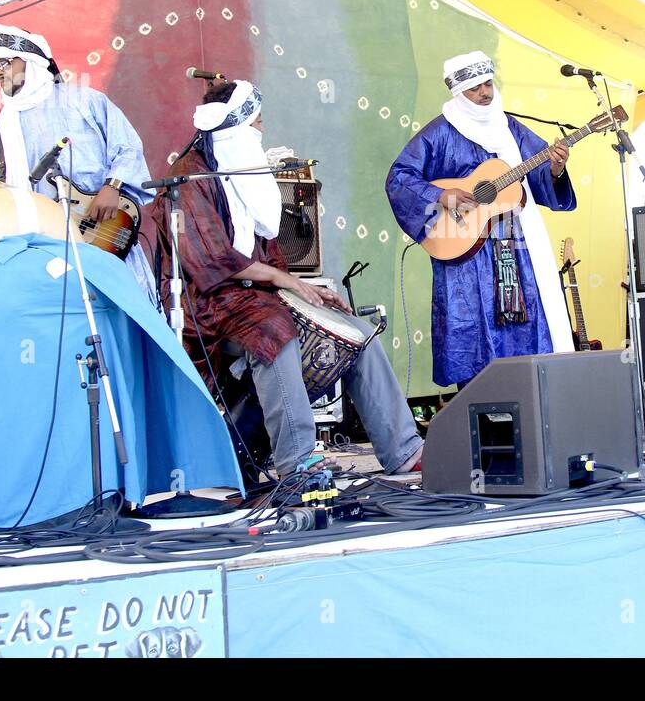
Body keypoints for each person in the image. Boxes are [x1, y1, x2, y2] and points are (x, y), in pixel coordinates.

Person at [150, 80, 423, 477]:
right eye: (257, 122)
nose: (261, 131)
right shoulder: (190, 179)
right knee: (275, 333)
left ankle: (404, 451)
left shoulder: (243, 171)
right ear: (237, 127)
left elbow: (268, 252)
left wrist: (307, 291)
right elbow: (214, 263)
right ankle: (298, 462)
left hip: (255, 297)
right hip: (209, 305)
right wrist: (292, 284)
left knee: (358, 335)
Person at [386, 51, 576, 388]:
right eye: (475, 88)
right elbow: (399, 178)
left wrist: (557, 168)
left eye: (488, 83)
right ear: (460, 93)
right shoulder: (439, 133)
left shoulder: (510, 127)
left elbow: (541, 173)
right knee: (471, 330)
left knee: (524, 326)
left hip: (516, 249)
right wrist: (441, 195)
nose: (485, 93)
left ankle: (530, 410)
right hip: (465, 254)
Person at [0, 24, 157, 301]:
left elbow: (127, 146)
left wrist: (113, 186)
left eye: (5, 61)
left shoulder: (84, 100)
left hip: (98, 231)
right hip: (39, 247)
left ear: (32, 60)